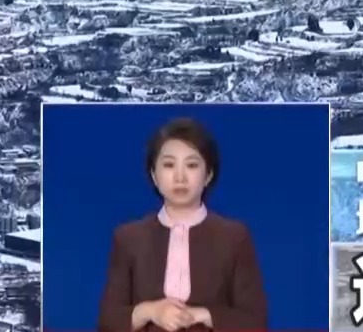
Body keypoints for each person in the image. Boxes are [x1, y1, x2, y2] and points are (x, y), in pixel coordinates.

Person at [96, 118, 268, 332]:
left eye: (192, 165)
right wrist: (151, 311)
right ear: (154, 175)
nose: (180, 177)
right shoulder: (128, 238)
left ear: (208, 175)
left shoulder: (234, 237)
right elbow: (108, 320)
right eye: (169, 165)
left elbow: (254, 321)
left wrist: (202, 315)